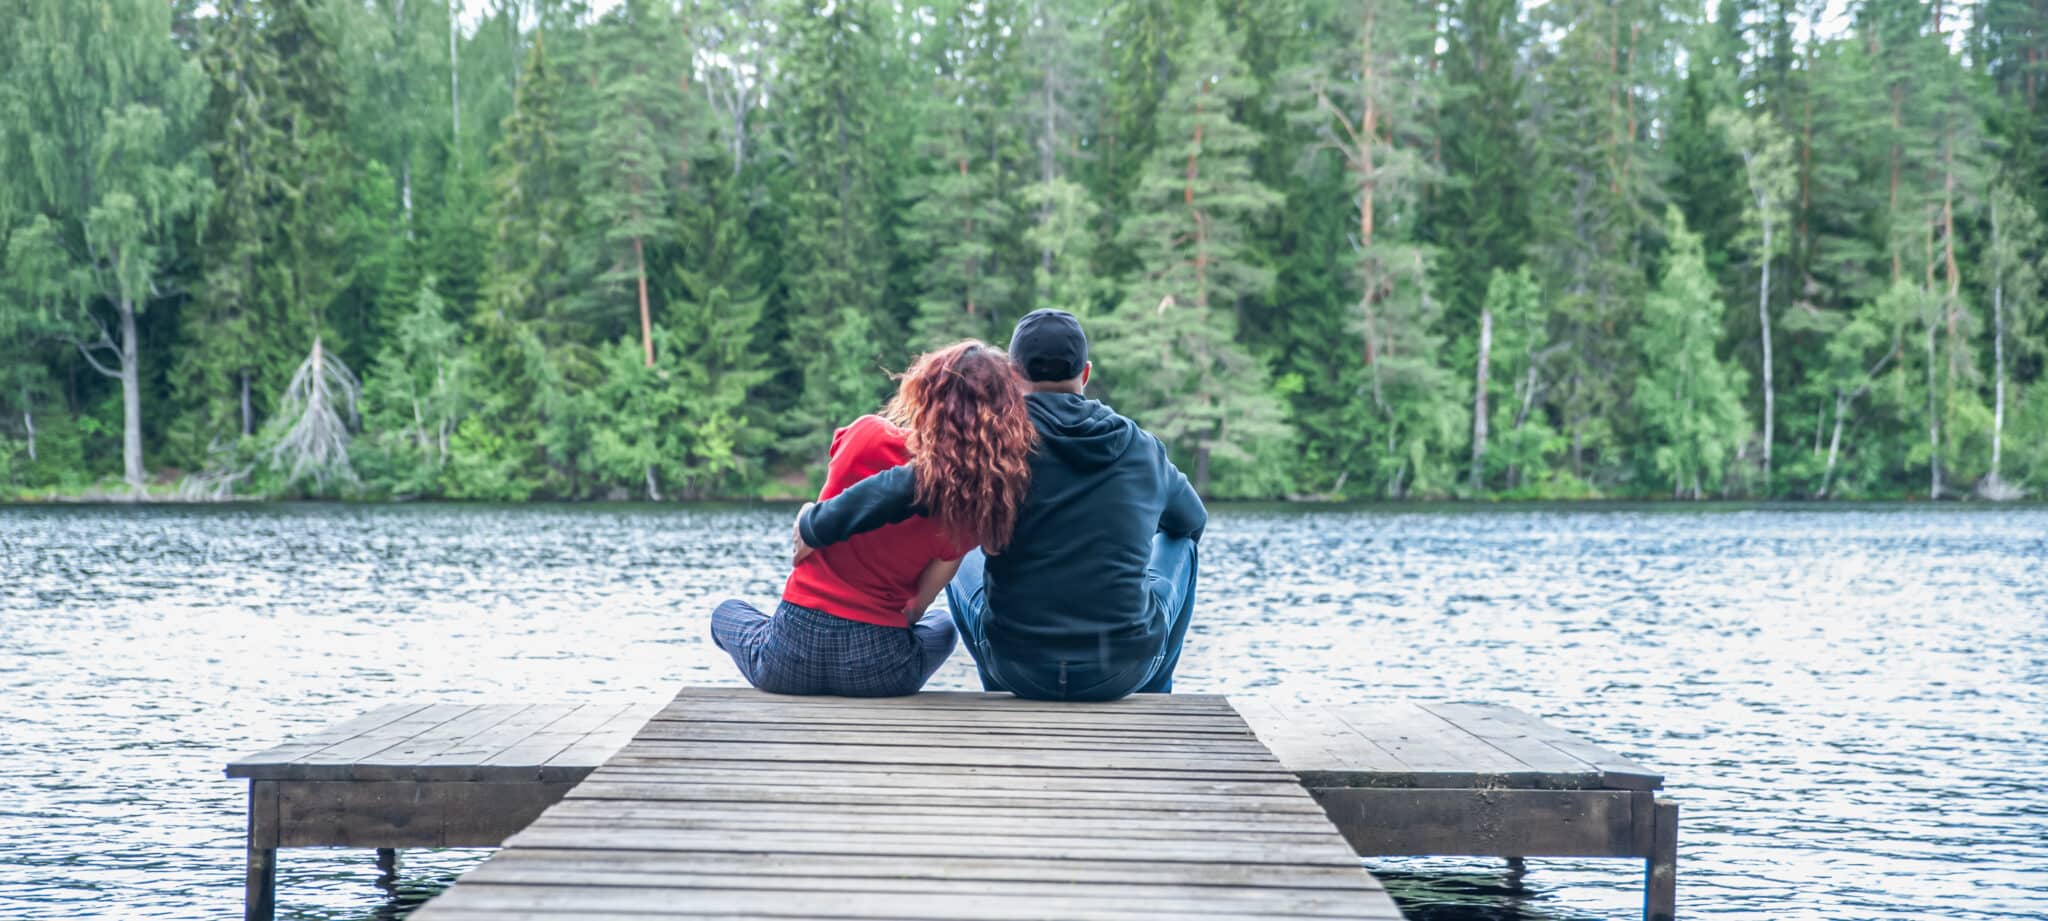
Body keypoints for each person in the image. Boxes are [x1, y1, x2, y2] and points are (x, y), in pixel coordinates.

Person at [793, 309, 1204, 702]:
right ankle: (1156, 691)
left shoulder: (996, 447)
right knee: (1180, 544)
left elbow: (895, 487)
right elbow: (1191, 521)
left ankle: (995, 689)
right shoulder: (1142, 449)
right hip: (1122, 671)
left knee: (962, 552)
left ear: (1011, 374)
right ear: (1086, 373)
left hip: (1016, 667)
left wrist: (815, 526)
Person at [712, 340, 1036, 696]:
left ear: (925, 393)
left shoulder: (865, 435)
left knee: (726, 613)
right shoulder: (971, 511)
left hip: (788, 657)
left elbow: (833, 494)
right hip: (879, 672)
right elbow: (915, 610)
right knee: (943, 626)